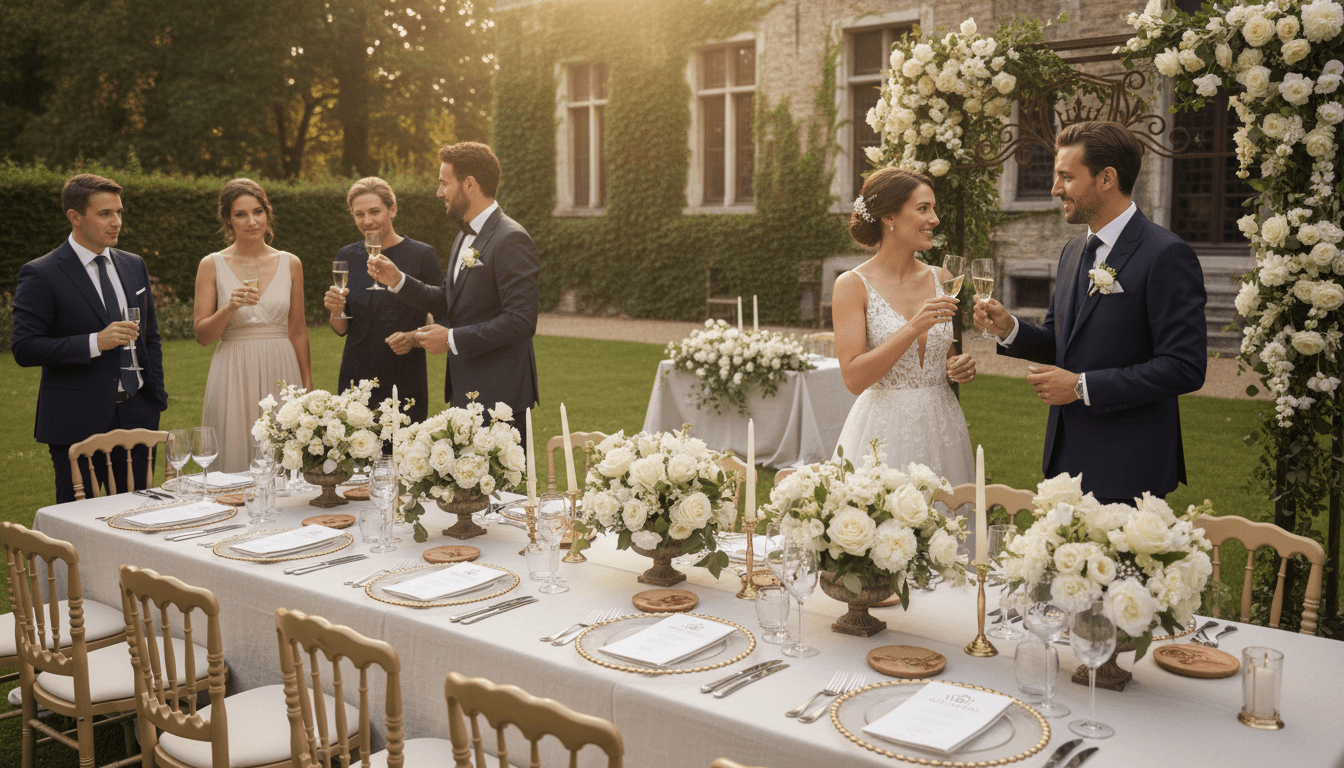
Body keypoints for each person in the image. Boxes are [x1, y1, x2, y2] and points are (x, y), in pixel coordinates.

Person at [974, 121, 1207, 504]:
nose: (1055, 189)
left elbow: (1184, 366)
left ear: (1106, 178)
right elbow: (1061, 341)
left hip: (1129, 467)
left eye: (1066, 176)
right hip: (1065, 460)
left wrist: (1082, 387)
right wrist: (1010, 329)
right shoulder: (1071, 252)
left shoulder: (1165, 254)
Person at [12, 174, 169, 503]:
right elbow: (25, 348)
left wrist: (155, 398)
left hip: (137, 419)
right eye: (105, 213)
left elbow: (150, 338)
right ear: (75, 216)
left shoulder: (133, 265)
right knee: (78, 526)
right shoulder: (42, 273)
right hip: (76, 422)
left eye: (119, 212)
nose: (117, 222)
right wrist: (95, 342)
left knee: (138, 519)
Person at [368, 142, 539, 437]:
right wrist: (398, 280)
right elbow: (450, 301)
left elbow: (521, 321)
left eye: (444, 184)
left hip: (501, 396)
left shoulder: (511, 239)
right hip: (465, 389)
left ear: (469, 184)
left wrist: (450, 338)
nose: (439, 193)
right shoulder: (464, 237)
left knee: (498, 485)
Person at [832, 167, 976, 485]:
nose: (934, 219)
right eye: (923, 209)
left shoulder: (943, 278)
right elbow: (854, 378)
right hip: (883, 432)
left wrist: (958, 366)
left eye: (933, 208)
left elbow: (946, 355)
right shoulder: (851, 285)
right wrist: (912, 327)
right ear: (889, 217)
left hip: (943, 424)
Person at [194, 178, 312, 473]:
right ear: (227, 219)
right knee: (235, 450)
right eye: (240, 214)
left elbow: (297, 329)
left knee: (285, 456)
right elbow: (202, 335)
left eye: (257, 212)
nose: (251, 221)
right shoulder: (211, 264)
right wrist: (229, 307)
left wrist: (307, 385)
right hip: (233, 369)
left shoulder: (291, 263)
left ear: (267, 213)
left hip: (281, 367)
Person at [324, 177, 444, 424]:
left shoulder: (422, 255)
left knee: (404, 456)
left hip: (404, 376)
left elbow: (445, 317)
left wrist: (414, 337)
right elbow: (341, 328)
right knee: (355, 457)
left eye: (374, 211)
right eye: (359, 214)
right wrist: (335, 310)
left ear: (393, 210)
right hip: (355, 375)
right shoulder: (346, 255)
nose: (367, 221)